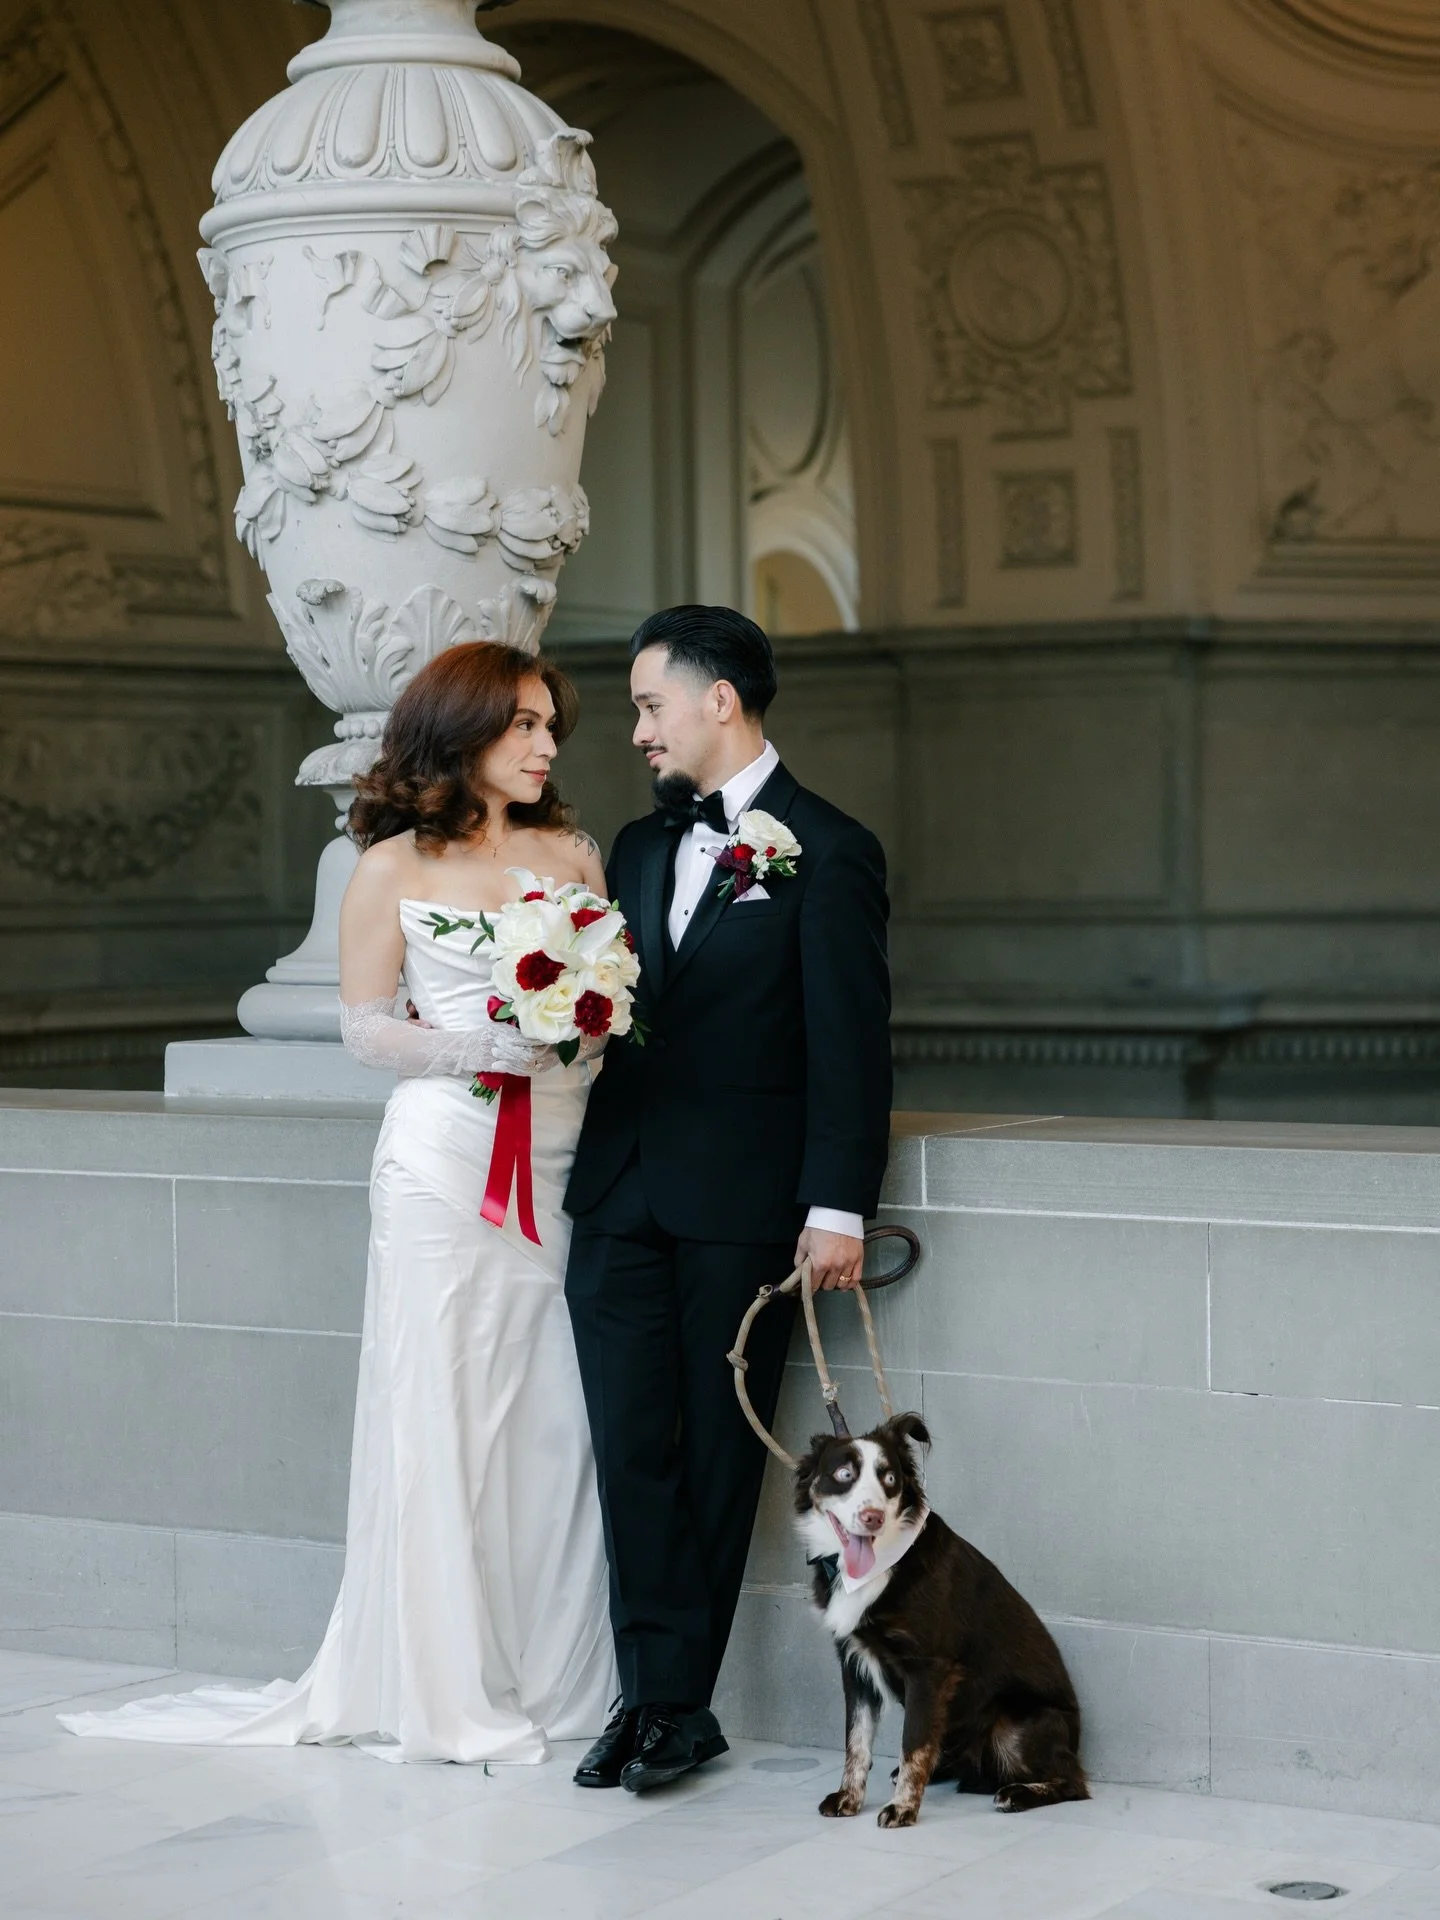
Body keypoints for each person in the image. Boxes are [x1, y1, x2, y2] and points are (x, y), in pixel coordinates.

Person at [61, 641, 617, 1763]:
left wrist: (574, 1036)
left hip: (558, 1156)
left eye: (552, 724)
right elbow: (368, 1029)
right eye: (524, 724)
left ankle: (556, 1679)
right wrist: (484, 1046)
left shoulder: (573, 849)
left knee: (554, 1417)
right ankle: (441, 1689)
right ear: (460, 731)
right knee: (438, 1405)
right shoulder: (392, 865)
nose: (548, 743)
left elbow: (603, 994)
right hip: (444, 1158)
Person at [565, 605, 892, 1794]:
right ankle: (653, 1695)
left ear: (721, 700)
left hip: (741, 1204)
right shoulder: (638, 847)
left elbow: (851, 1049)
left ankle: (670, 1709)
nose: (637, 731)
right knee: (627, 1453)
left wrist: (838, 1208)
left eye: (651, 705)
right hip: (616, 1197)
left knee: (711, 1463)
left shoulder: (833, 849)